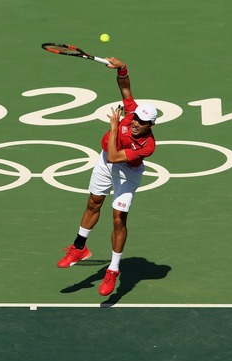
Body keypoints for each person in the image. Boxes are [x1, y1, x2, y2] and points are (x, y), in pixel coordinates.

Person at [57, 57, 158, 296]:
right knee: (93, 203)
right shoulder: (132, 113)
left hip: (127, 171)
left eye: (142, 122)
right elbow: (124, 86)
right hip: (104, 160)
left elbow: (115, 157)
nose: (135, 123)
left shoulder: (148, 146)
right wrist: (122, 67)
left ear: (151, 125)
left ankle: (113, 270)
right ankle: (79, 247)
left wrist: (114, 127)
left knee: (118, 218)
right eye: (135, 119)